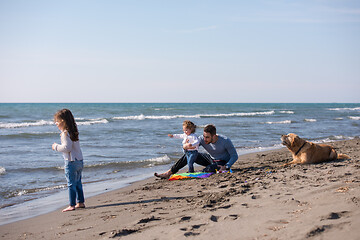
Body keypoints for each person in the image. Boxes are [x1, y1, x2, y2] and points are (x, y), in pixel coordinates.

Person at [155, 124, 238, 179]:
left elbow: (234, 156)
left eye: (207, 137)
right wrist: (185, 147)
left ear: (214, 136)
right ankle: (169, 172)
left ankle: (203, 171)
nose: (204, 139)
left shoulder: (225, 141)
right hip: (210, 159)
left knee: (208, 170)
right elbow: (190, 149)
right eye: (204, 136)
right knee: (191, 154)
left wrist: (227, 166)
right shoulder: (202, 139)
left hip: (222, 162)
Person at [52, 109, 85, 212]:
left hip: (71, 162)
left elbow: (67, 148)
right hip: (79, 161)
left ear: (63, 121)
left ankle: (72, 205)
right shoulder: (74, 131)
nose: (55, 123)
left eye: (57, 121)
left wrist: (56, 146)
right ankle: (80, 202)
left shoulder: (65, 133)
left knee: (71, 183)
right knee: (78, 182)